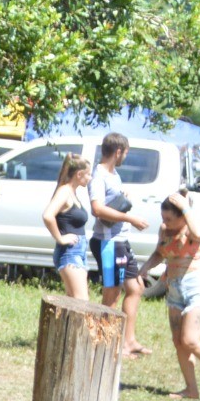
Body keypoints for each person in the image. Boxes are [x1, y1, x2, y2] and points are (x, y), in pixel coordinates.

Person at [141, 191, 200, 399]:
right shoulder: (165, 230)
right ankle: (191, 390)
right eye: (163, 218)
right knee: (178, 341)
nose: (165, 223)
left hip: (195, 287)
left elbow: (199, 235)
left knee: (190, 340)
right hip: (174, 288)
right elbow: (159, 253)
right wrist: (144, 268)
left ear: (183, 216)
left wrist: (187, 207)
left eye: (169, 219)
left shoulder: (193, 228)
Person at [90, 132, 152, 357]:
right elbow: (97, 209)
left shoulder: (113, 174)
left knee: (136, 288)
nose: (125, 156)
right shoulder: (99, 176)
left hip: (120, 241)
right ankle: (101, 344)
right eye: (125, 152)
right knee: (112, 295)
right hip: (108, 242)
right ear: (118, 152)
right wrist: (130, 218)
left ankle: (129, 342)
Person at [42, 154, 92, 299]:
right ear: (79, 174)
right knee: (81, 302)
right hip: (70, 253)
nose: (90, 178)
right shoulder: (64, 191)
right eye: (88, 174)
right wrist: (60, 238)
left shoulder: (72, 193)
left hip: (78, 251)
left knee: (74, 302)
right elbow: (48, 215)